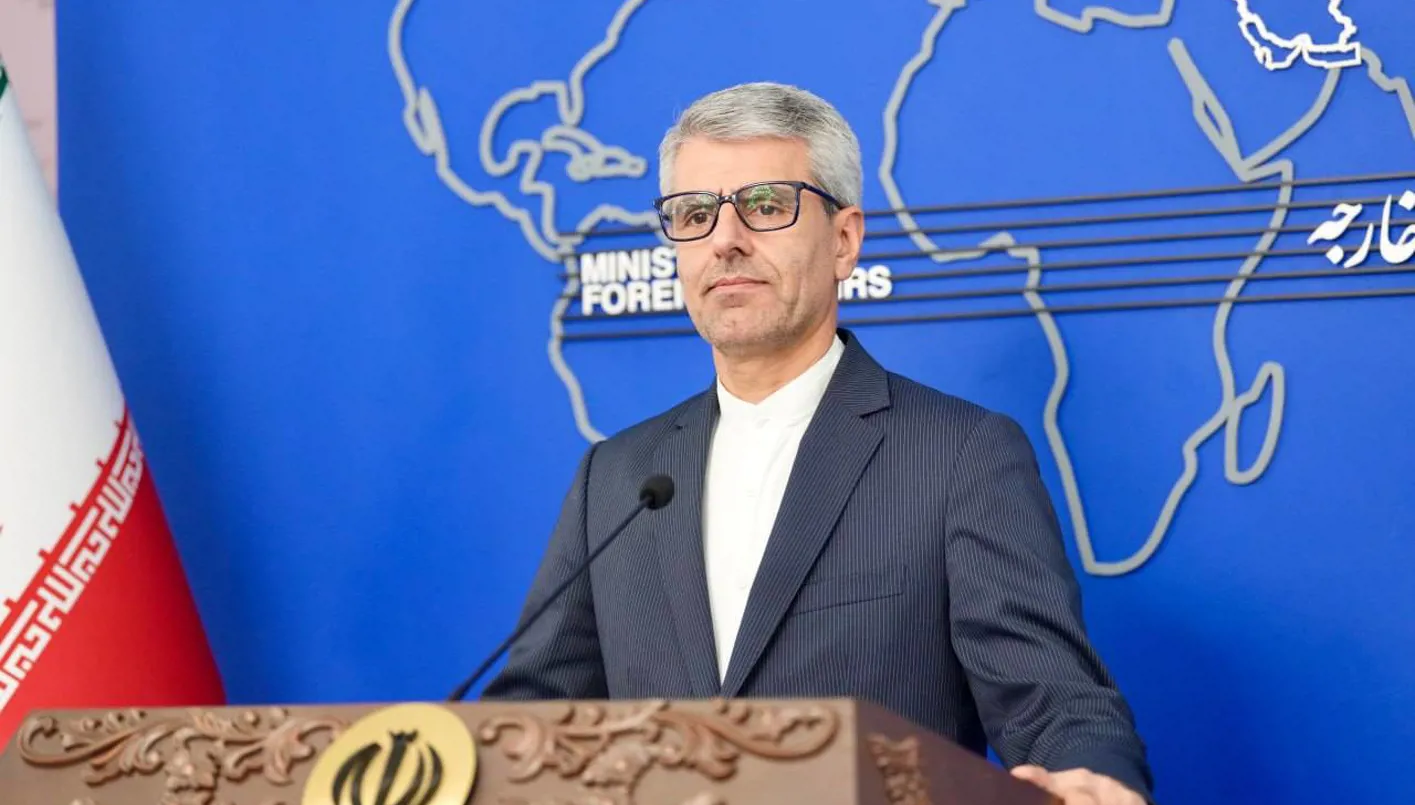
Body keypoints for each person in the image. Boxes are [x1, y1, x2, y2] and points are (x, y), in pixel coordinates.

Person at [481, 82, 1153, 805]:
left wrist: (1095, 783)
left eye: (766, 205)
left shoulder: (959, 456)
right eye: (695, 214)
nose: (725, 239)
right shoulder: (616, 476)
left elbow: (1055, 706)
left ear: (844, 240)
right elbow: (529, 724)